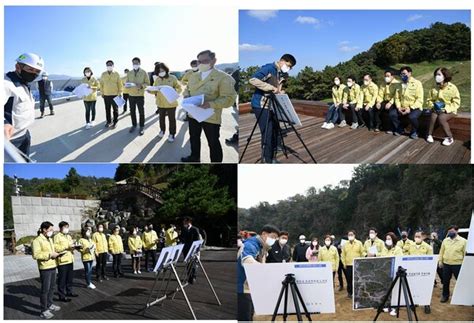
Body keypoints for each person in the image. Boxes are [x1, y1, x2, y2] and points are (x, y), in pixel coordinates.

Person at [181, 50, 237, 163]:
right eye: (199, 61)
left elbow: (229, 99)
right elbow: (187, 89)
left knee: (213, 142)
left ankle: (216, 164)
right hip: (193, 114)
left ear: (214, 61)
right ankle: (194, 157)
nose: (201, 64)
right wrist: (186, 95)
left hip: (211, 116)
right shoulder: (193, 76)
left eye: (205, 61)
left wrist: (210, 104)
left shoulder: (223, 77)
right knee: (194, 138)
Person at [247, 54, 296, 163]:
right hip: (261, 104)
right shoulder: (269, 68)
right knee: (267, 132)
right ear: (282, 61)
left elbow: (277, 89)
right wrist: (271, 88)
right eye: (289, 66)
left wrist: (279, 90)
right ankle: (267, 159)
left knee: (275, 129)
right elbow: (253, 79)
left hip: (271, 104)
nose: (289, 69)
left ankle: (273, 151)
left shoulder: (281, 73)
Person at [4, 53, 45, 156]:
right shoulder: (6, 84)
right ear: (18, 67)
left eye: (37, 71)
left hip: (24, 134)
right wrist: (4, 122)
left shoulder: (24, 83)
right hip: (11, 140)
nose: (33, 74)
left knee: (25, 159)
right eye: (30, 69)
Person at [237, 224, 280, 322]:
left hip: (250, 288)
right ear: (264, 234)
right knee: (245, 318)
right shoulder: (251, 245)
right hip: (242, 288)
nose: (274, 240)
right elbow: (247, 261)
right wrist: (266, 270)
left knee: (249, 316)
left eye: (276, 238)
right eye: (273, 237)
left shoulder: (261, 247)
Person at [32, 221, 61, 319]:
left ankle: (50, 304)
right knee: (45, 290)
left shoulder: (50, 239)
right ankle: (43, 310)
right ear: (44, 229)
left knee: (52, 287)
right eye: (50, 230)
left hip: (53, 266)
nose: (52, 231)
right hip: (45, 268)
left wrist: (56, 253)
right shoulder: (37, 240)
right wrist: (49, 255)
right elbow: (36, 255)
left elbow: (51, 251)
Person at [426, 67, 461, 146]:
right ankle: (429, 134)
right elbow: (429, 100)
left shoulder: (453, 88)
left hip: (450, 110)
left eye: (439, 74)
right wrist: (433, 106)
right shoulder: (433, 87)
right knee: (433, 115)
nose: (436, 77)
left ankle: (449, 137)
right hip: (436, 109)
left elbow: (456, 103)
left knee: (441, 117)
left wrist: (445, 109)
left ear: (445, 76)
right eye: (435, 75)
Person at [150, 62, 182, 142]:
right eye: (159, 71)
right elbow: (155, 90)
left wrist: (174, 90)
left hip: (171, 103)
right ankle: (162, 130)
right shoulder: (157, 79)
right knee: (161, 119)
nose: (161, 72)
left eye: (162, 70)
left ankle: (172, 134)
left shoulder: (173, 77)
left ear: (166, 69)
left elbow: (179, 88)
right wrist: (150, 90)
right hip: (160, 103)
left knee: (172, 119)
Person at [392, 66, 424, 139]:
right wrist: (398, 107)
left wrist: (410, 108)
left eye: (404, 73)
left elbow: (420, 99)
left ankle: (415, 131)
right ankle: (400, 129)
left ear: (409, 73)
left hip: (415, 107)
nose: (402, 75)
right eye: (401, 74)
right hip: (402, 106)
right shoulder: (399, 85)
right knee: (392, 114)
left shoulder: (417, 83)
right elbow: (397, 98)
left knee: (412, 117)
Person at [407, 230, 434, 314]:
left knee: (425, 288)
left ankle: (426, 305)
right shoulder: (411, 246)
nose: (417, 238)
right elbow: (407, 257)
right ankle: (414, 303)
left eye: (419, 236)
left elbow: (431, 260)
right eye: (416, 236)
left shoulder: (428, 247)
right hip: (413, 270)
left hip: (424, 271)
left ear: (422, 237)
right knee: (414, 287)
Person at [439, 225, 467, 303]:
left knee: (460, 281)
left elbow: (465, 254)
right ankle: (445, 296)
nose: (450, 232)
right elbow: (441, 251)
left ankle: (462, 297)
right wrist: (440, 261)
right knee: (445, 281)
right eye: (449, 231)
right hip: (446, 264)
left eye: (452, 231)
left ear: (457, 231)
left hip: (458, 264)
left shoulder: (463, 241)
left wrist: (465, 265)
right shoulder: (445, 240)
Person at [53, 221, 78, 302]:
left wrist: (74, 247)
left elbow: (71, 245)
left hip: (70, 259)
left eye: (68, 227)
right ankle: (61, 295)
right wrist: (67, 246)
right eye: (65, 227)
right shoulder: (57, 236)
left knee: (69, 278)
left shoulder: (68, 236)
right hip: (62, 261)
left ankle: (69, 292)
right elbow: (56, 248)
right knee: (62, 279)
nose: (67, 229)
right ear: (60, 228)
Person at [126, 57, 150, 135]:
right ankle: (134, 125)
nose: (135, 64)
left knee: (141, 111)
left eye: (136, 63)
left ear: (139, 63)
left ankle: (142, 126)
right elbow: (127, 82)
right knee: (132, 111)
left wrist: (142, 86)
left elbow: (147, 83)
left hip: (140, 95)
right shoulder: (129, 73)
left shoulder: (144, 72)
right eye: (133, 63)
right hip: (131, 95)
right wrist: (127, 85)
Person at [99, 60, 123, 129]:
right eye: (108, 65)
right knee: (107, 109)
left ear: (113, 65)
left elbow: (120, 84)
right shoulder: (103, 74)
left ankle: (115, 122)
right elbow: (101, 84)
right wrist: (102, 93)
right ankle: (108, 121)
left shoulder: (116, 74)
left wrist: (120, 93)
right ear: (106, 66)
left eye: (110, 64)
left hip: (115, 94)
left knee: (115, 109)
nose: (109, 66)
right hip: (106, 95)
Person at [341, 230, 363, 298]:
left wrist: (361, 262)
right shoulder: (345, 244)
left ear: (354, 235)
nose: (350, 236)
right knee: (349, 280)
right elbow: (343, 255)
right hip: (348, 265)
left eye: (351, 234)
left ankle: (357, 293)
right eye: (349, 235)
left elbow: (362, 253)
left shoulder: (359, 243)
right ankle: (350, 293)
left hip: (357, 265)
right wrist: (344, 263)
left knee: (357, 280)